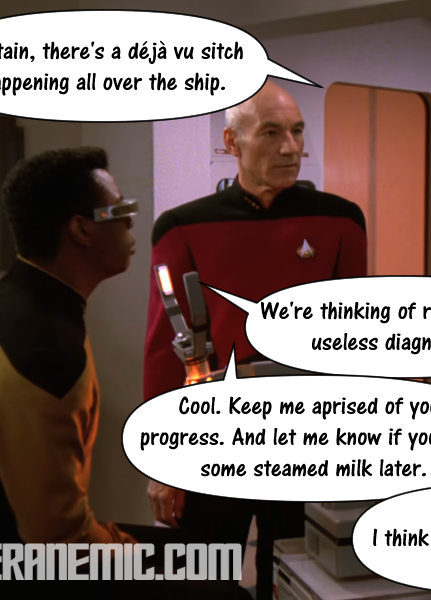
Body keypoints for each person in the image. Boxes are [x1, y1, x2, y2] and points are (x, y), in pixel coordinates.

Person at [0, 147, 251, 599]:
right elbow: (59, 544)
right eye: (121, 212)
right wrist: (133, 554)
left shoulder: (24, 296)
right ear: (81, 229)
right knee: (222, 588)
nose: (131, 225)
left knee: (209, 559)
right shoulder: (45, 350)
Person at [143, 80, 368, 598]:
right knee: (201, 577)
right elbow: (163, 350)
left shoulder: (340, 221)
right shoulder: (182, 227)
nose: (291, 147)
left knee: (296, 579)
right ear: (232, 142)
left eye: (297, 131)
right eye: (271, 133)